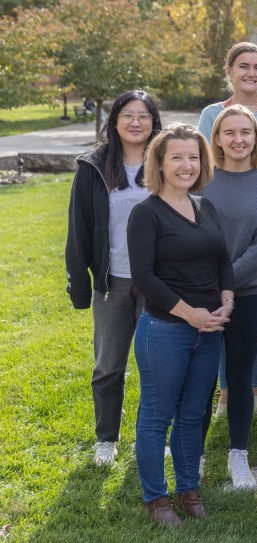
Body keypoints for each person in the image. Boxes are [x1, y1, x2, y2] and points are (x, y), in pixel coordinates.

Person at [127, 124, 234, 526]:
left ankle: (189, 490)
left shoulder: (206, 207)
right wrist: (190, 314)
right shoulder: (146, 213)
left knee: (193, 414)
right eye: (177, 157)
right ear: (159, 162)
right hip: (166, 331)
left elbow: (223, 260)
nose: (186, 165)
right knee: (157, 416)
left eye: (193, 157)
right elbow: (144, 277)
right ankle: (157, 499)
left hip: (209, 329)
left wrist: (227, 301)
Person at [65, 90, 163, 466]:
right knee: (109, 364)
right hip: (113, 282)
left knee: (155, 365)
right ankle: (106, 438)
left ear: (155, 122)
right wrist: (79, 284)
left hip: (159, 283)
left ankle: (148, 437)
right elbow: (79, 229)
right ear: (115, 120)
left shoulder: (166, 159)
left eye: (144, 115)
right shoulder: (94, 166)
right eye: (128, 115)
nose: (136, 122)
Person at [198, 41, 257, 417]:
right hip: (222, 220)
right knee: (220, 313)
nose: (251, 74)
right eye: (243, 67)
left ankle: (253, 386)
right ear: (229, 72)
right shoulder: (211, 114)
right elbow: (203, 164)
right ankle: (224, 391)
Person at [200, 106, 257, 490]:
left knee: (240, 375)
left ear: (256, 138)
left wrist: (228, 285)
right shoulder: (201, 183)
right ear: (216, 138)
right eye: (229, 132)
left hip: (252, 294)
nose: (238, 139)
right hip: (201, 295)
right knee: (199, 376)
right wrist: (214, 287)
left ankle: (239, 454)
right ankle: (192, 453)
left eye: (245, 132)